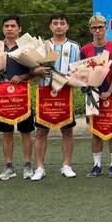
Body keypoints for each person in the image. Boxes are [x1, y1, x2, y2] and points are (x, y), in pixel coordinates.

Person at [31, 13, 81, 181]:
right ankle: (39, 167)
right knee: (41, 131)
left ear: (67, 26)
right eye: (55, 23)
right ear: (50, 26)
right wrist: (36, 71)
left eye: (62, 23)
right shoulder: (41, 46)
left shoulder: (75, 47)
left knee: (67, 131)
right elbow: (31, 70)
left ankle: (67, 165)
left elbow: (78, 71)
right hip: (45, 93)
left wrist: (72, 79)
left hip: (64, 94)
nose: (58, 26)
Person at [81, 14, 112, 177]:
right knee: (95, 130)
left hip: (110, 93)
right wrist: (89, 88)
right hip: (92, 94)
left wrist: (110, 90)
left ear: (106, 28)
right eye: (94, 28)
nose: (97, 30)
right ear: (90, 29)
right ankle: (96, 165)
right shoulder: (85, 49)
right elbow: (82, 71)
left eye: (100, 27)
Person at [0, 15, 37, 181]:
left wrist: (22, 77)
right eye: (6, 26)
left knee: (26, 132)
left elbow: (35, 70)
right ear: (2, 29)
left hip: (21, 96)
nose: (10, 29)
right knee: (6, 133)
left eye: (13, 26)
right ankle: (9, 167)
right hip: (2, 97)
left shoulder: (27, 46)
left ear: (20, 29)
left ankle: (28, 165)